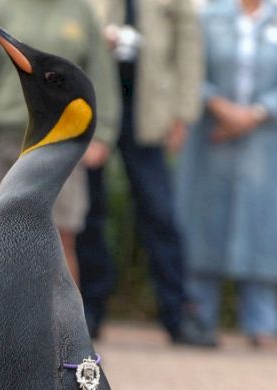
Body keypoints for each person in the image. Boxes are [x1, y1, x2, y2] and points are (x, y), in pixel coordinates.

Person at [0, 0, 120, 284]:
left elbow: (100, 74)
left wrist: (102, 132)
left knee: (60, 239)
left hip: (62, 141)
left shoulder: (80, 11)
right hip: (3, 140)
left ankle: (62, 328)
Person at [78, 0, 207, 344]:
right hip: (93, 106)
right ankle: (88, 311)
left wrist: (182, 112)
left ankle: (178, 313)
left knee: (160, 212)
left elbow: (188, 45)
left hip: (148, 109)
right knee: (89, 211)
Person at [176, 0, 277, 348]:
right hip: (211, 135)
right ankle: (200, 316)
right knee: (205, 220)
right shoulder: (210, 16)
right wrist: (220, 108)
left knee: (264, 225)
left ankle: (262, 321)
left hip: (265, 138)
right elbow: (189, 69)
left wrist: (257, 113)